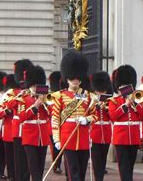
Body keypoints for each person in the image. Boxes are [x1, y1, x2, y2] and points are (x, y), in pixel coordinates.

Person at [52, 51, 95, 181]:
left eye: (77, 78)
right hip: (67, 137)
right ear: (67, 78)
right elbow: (55, 119)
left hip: (83, 138)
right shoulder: (60, 96)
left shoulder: (88, 96)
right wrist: (57, 139)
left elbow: (95, 116)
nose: (75, 80)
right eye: (72, 78)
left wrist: (86, 119)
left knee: (82, 170)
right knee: (73, 169)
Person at [108, 65, 143, 181]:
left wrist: (134, 103)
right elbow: (113, 116)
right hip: (121, 137)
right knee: (124, 166)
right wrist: (125, 105)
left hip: (133, 137)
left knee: (130, 165)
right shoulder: (114, 101)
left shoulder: (137, 99)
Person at [19, 65, 50, 181]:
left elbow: (51, 114)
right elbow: (22, 116)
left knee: (41, 165)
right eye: (34, 84)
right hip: (29, 136)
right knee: (32, 165)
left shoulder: (46, 98)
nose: (36, 86)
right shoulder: (23, 98)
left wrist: (45, 103)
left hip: (42, 136)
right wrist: (35, 106)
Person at [90, 71, 113, 181]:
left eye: (103, 90)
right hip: (95, 132)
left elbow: (113, 117)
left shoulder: (110, 100)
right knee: (96, 159)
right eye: (99, 90)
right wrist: (96, 108)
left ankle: (100, 178)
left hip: (106, 132)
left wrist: (106, 109)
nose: (101, 92)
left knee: (103, 158)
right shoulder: (91, 99)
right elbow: (87, 113)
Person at [0, 74, 19, 180]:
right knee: (10, 159)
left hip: (20, 132)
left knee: (18, 159)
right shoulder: (6, 96)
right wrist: (7, 110)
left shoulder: (22, 94)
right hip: (9, 132)